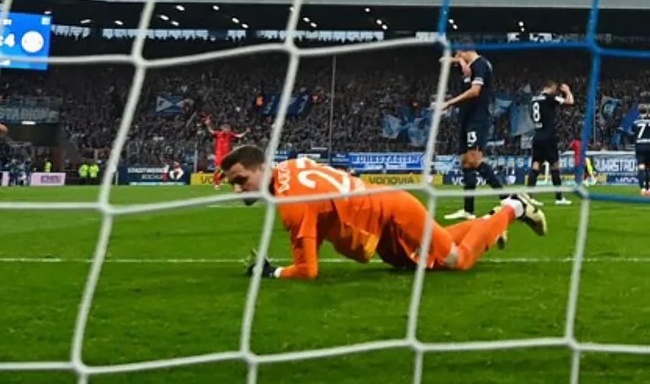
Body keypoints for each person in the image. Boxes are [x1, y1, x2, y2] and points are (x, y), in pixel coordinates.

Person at [219, 146, 546, 280]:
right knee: (422, 264)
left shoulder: (292, 204)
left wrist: (272, 272)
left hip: (393, 210)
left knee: (455, 261)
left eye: (241, 181)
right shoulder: (290, 166)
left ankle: (513, 206)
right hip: (378, 225)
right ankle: (489, 223)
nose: (238, 190)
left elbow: (308, 271)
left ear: (263, 168)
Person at [441, 48, 507, 221]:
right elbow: (466, 73)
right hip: (466, 119)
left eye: (458, 56)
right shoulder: (470, 68)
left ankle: (507, 198)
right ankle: (468, 210)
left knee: (474, 160)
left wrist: (449, 103)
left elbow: (475, 91)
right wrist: (458, 62)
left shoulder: (481, 64)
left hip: (477, 120)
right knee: (466, 163)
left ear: (464, 52)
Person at [527, 80, 574, 206]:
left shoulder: (533, 99)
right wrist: (567, 91)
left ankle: (529, 197)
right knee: (555, 166)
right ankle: (559, 198)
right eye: (554, 88)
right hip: (548, 136)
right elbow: (570, 102)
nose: (555, 90)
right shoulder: (550, 98)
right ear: (550, 87)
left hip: (537, 135)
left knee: (536, 165)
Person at [205, 116, 246, 188]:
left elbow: (239, 136)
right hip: (219, 155)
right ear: (223, 129)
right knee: (217, 170)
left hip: (226, 156)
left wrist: (245, 132)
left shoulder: (230, 135)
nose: (228, 130)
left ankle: (219, 181)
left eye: (228, 129)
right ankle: (216, 183)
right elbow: (210, 131)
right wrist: (208, 124)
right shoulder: (218, 134)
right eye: (227, 129)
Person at [633, 103, 650, 196]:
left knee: (641, 168)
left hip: (640, 146)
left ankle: (643, 189)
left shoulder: (636, 122)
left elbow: (633, 133)